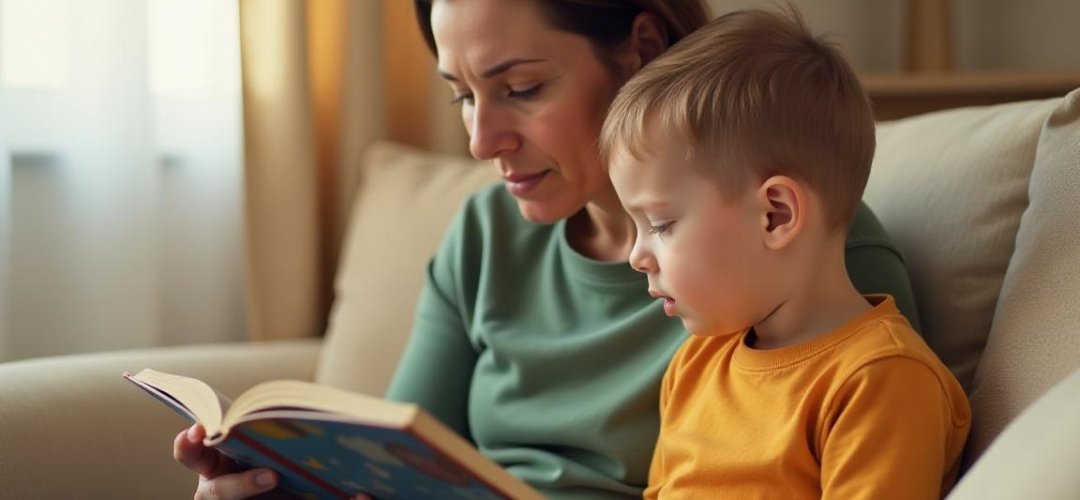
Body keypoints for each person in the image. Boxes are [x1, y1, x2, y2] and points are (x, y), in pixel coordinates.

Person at [172, 1, 923, 498]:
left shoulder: (803, 262)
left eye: (521, 87)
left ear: (641, 49)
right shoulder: (484, 237)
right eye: (463, 94)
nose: (479, 140)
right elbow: (387, 469)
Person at [600, 7, 970, 499]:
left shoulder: (881, 379)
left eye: (661, 225)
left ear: (775, 215)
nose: (636, 255)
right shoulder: (696, 363)